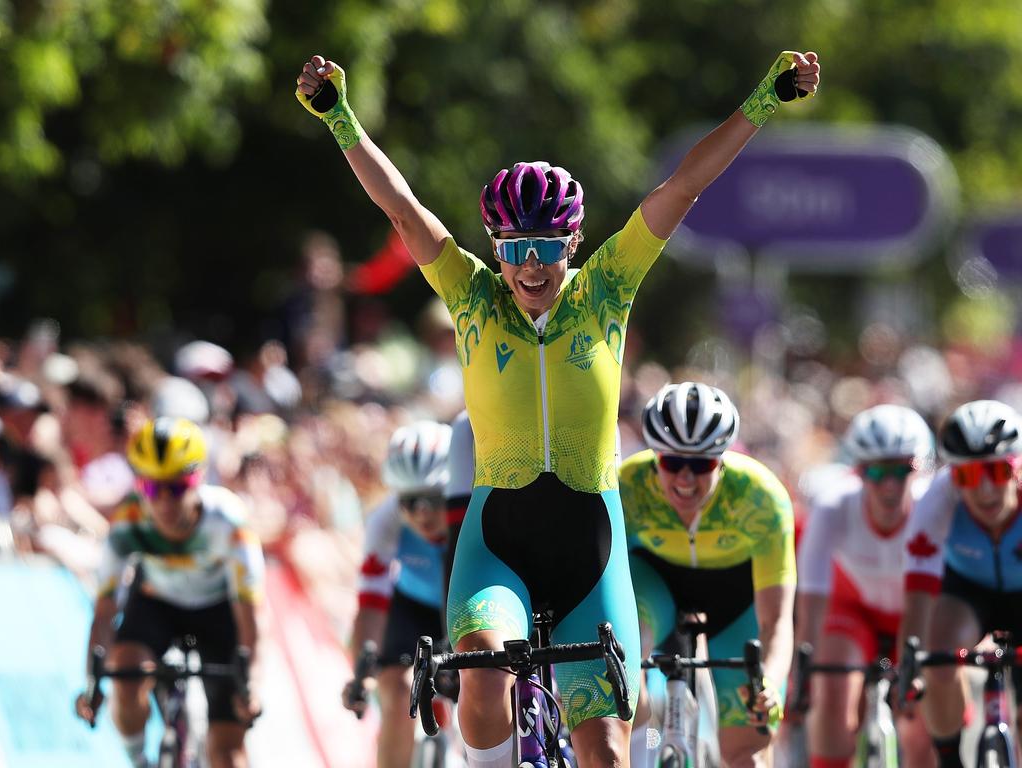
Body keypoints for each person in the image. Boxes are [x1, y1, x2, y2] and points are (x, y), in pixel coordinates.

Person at [296, 48, 820, 768]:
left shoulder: (608, 288)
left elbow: (686, 183)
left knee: (604, 750)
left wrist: (764, 101)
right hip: (498, 541)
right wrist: (340, 118)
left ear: (574, 242)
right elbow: (400, 206)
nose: (532, 266)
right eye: (515, 248)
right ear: (495, 247)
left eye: (547, 246)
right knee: (481, 678)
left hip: (590, 548)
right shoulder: (471, 294)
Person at [621, 382, 795, 768]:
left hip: (734, 601)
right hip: (655, 587)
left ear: (723, 458)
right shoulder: (627, 486)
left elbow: (776, 619)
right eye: (671, 463)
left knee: (746, 755)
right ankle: (647, 729)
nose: (685, 479)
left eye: (701, 464)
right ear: (654, 457)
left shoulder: (761, 497)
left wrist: (769, 681)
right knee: (626, 693)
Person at [75, 417, 264, 768]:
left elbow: (250, 619)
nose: (164, 502)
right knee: (125, 675)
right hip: (156, 604)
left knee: (227, 755)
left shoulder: (229, 524)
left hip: (219, 611)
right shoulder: (127, 522)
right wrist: (92, 682)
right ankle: (139, 761)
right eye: (151, 489)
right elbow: (104, 611)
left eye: (176, 487)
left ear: (200, 478)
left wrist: (249, 685)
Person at [794, 405, 936, 768]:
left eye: (901, 471)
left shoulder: (931, 507)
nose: (889, 485)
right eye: (876, 472)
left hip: (917, 611)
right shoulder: (833, 506)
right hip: (853, 611)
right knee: (833, 691)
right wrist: (802, 672)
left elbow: (937, 596)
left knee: (922, 720)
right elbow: (812, 598)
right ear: (858, 471)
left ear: (918, 469)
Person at [901, 400, 1022, 768]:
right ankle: (950, 759)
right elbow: (918, 595)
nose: (985, 490)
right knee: (937, 655)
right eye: (968, 476)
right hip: (967, 591)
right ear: (953, 477)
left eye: (997, 472)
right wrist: (911, 660)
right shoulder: (936, 500)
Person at [342, 420, 452, 768]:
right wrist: (362, 671)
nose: (422, 513)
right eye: (410, 501)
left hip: (468, 602)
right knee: (396, 690)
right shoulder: (383, 521)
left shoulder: (477, 507)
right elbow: (371, 604)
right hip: (413, 607)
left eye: (434, 499)